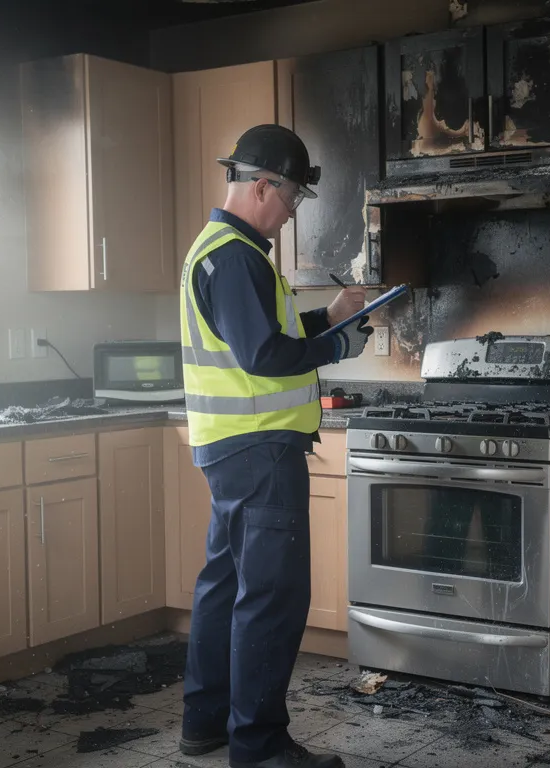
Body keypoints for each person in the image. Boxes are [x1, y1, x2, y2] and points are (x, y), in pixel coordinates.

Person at [177, 124, 372, 768]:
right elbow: (264, 356)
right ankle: (259, 750)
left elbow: (268, 334)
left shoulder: (228, 250)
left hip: (233, 447)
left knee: (225, 583)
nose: (292, 212)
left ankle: (206, 723)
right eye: (292, 198)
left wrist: (330, 319)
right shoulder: (235, 257)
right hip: (259, 449)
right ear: (262, 184)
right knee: (270, 597)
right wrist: (339, 347)